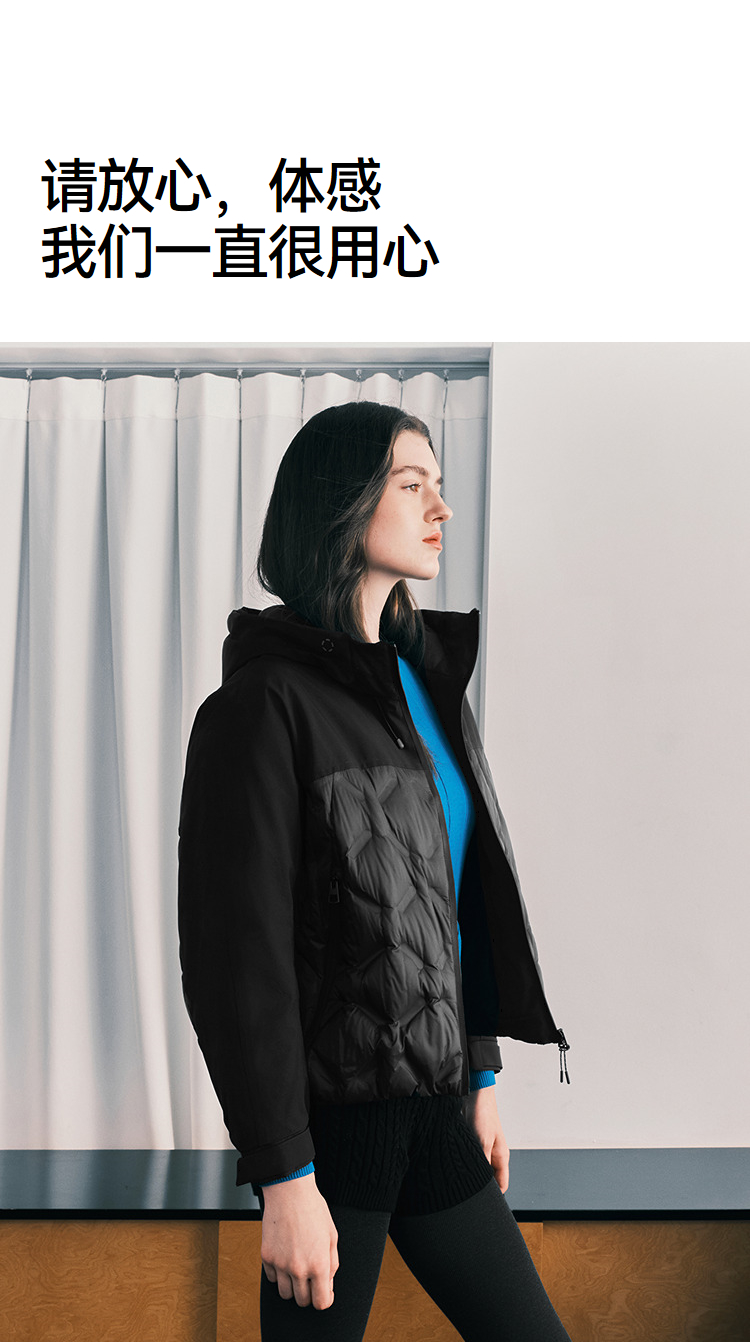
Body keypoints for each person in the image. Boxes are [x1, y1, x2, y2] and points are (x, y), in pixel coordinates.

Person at [178, 401, 572, 1341]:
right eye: (411, 484)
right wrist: (284, 1176)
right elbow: (239, 964)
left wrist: (480, 1073)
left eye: (440, 485)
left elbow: (454, 900)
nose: (440, 508)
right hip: (335, 1138)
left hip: (436, 1116)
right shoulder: (262, 707)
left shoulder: (423, 683)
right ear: (342, 504)